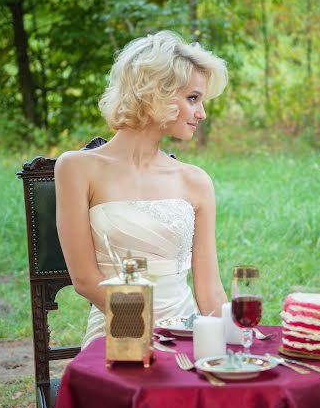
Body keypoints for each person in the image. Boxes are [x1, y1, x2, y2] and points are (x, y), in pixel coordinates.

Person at [55, 30, 228, 349]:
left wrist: (230, 346)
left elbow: (210, 292)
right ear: (156, 94)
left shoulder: (196, 181)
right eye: (193, 98)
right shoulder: (76, 168)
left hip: (185, 337)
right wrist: (149, 334)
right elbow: (85, 280)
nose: (202, 113)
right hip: (119, 332)